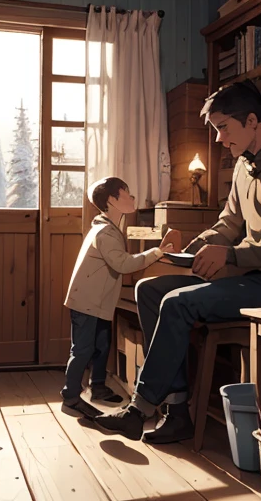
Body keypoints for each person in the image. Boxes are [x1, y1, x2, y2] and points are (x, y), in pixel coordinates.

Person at [94, 80, 261, 440]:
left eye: (223, 128)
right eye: (216, 129)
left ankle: (140, 408)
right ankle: (176, 412)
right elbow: (230, 222)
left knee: (176, 303)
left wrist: (232, 254)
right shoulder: (243, 165)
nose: (219, 139)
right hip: (246, 273)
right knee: (149, 289)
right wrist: (194, 247)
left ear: (252, 121)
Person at [61, 176, 174, 416]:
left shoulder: (107, 228)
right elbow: (122, 264)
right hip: (87, 302)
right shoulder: (106, 233)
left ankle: (98, 387)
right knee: (82, 349)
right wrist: (157, 252)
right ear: (112, 200)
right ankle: (70, 396)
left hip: (97, 302)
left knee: (102, 344)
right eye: (127, 193)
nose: (132, 198)